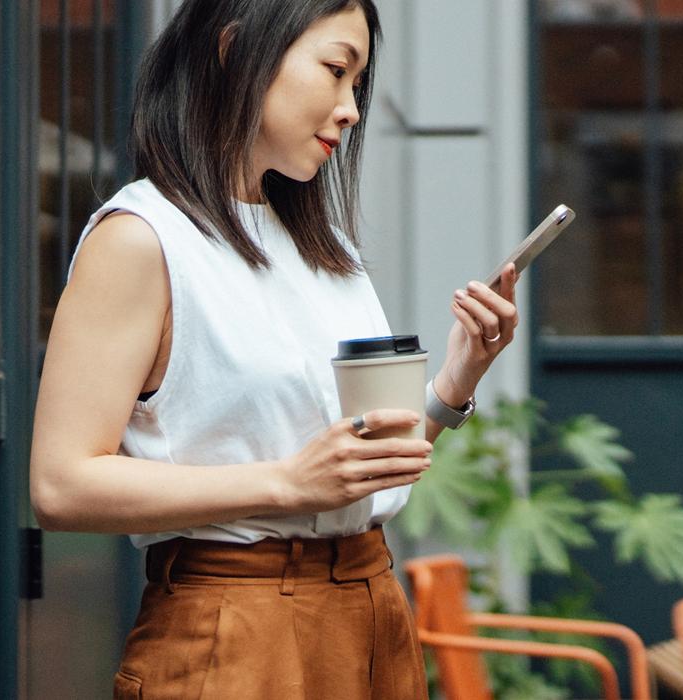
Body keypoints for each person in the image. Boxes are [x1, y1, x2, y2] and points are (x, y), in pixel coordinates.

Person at [28, 1, 521, 697]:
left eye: (358, 84)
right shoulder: (143, 238)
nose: (350, 109)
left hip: (370, 606)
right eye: (335, 70)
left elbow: (356, 474)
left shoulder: (324, 249)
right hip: (235, 620)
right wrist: (286, 484)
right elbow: (61, 484)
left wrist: (455, 382)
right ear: (235, 51)